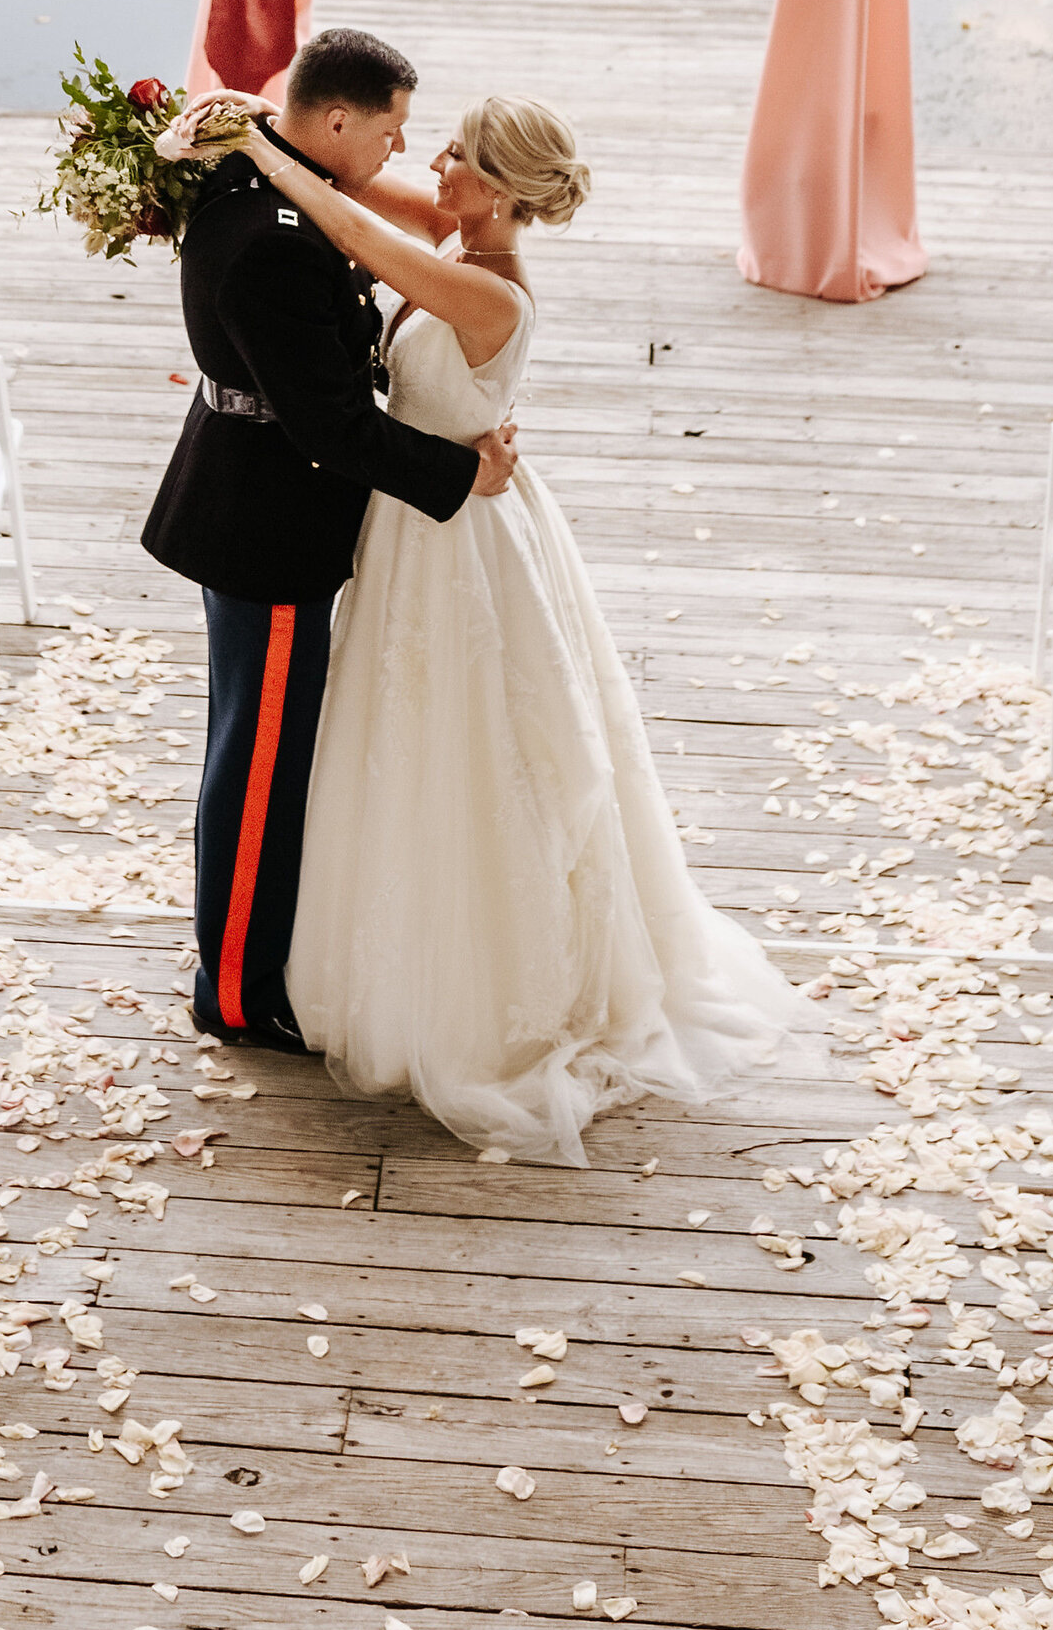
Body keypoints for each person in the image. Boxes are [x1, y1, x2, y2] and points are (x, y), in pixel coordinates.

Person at [252, 92, 825, 1161]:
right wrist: (267, 124)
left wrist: (252, 152)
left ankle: (491, 990)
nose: (435, 161)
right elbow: (352, 184)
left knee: (481, 743)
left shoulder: (486, 293)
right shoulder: (455, 236)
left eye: (458, 154)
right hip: (429, 516)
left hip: (461, 540)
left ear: (504, 190)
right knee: (411, 733)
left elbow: (351, 228)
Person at [142, 23, 518, 1049]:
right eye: (392, 130)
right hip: (267, 524)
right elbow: (330, 426)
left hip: (249, 501)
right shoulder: (272, 238)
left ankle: (247, 953)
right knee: (255, 762)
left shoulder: (263, 180)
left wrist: (256, 123)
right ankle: (232, 990)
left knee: (248, 746)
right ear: (339, 117)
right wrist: (461, 470)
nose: (401, 150)